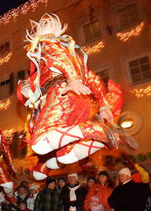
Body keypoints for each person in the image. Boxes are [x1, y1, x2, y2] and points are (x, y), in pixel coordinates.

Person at [19, 13, 125, 180]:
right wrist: (103, 105)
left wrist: (72, 79)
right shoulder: (74, 58)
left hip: (62, 94)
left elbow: (57, 57)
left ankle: (96, 130)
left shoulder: (46, 44)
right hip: (80, 102)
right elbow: (94, 79)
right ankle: (102, 140)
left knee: (39, 143)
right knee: (65, 156)